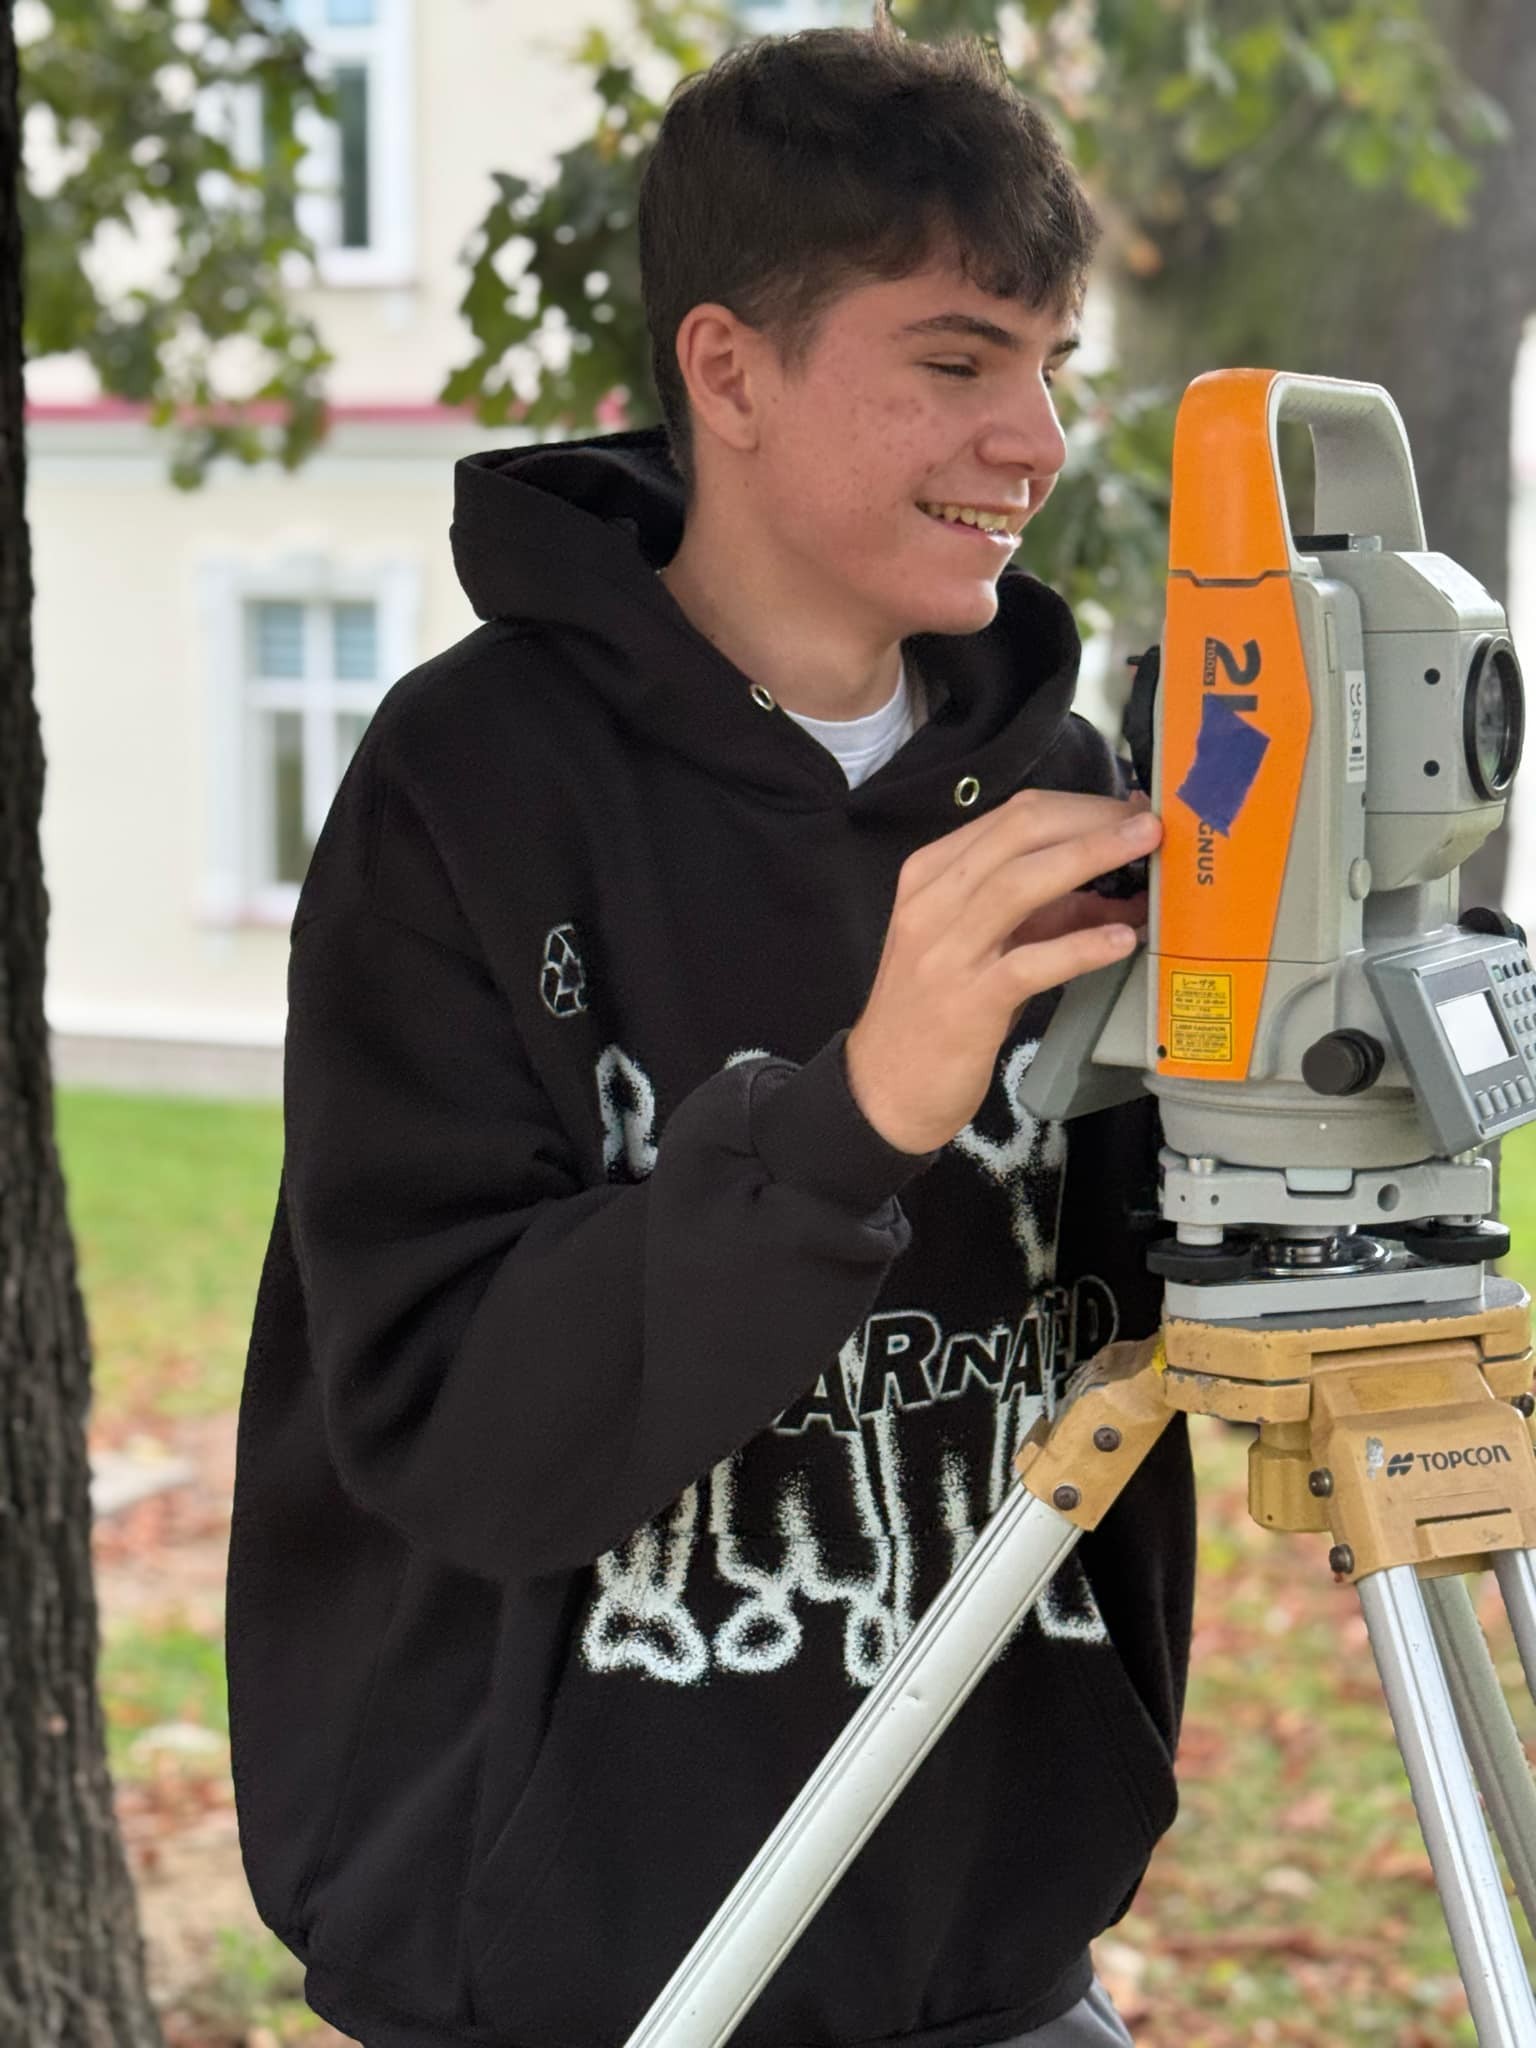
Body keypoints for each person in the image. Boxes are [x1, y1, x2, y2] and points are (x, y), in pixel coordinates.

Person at [226, 13, 1196, 2046]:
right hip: (570, 1973)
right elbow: (442, 1410)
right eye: (958, 362)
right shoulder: (467, 781)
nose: (1034, 439)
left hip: (989, 1967)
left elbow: (1135, 1319)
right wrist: (848, 1122)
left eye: (1051, 367)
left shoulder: (1058, 784)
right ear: (729, 371)